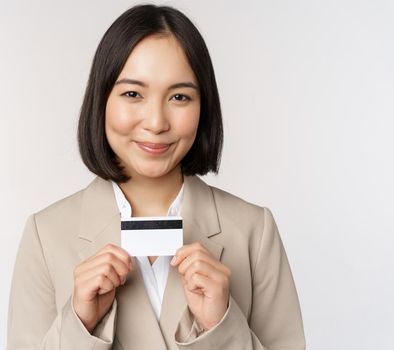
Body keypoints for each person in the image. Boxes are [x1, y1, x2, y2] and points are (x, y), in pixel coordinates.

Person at [7, 4, 305, 349]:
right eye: (133, 94)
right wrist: (80, 325)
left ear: (203, 106)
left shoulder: (255, 231)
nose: (156, 122)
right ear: (101, 99)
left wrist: (220, 325)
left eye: (179, 97)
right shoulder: (46, 235)